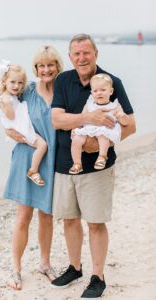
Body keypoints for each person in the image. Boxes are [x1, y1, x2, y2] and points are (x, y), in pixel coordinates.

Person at [51, 34, 136, 298]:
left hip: (98, 168)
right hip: (65, 164)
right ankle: (75, 267)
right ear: (70, 57)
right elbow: (57, 120)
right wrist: (87, 118)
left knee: (96, 223)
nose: (82, 58)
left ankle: (98, 276)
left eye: (86, 52)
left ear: (96, 54)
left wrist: (104, 142)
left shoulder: (112, 83)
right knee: (69, 220)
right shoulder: (64, 80)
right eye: (76, 54)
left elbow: (131, 126)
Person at [3, 45, 63, 290]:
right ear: (36, 69)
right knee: (23, 216)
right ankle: (16, 270)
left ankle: (45, 264)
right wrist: (10, 132)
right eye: (41, 65)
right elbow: (6, 112)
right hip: (27, 158)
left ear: (57, 66)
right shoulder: (25, 91)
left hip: (52, 161)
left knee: (47, 216)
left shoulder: (64, 91)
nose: (46, 69)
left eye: (50, 65)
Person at [0, 60, 47, 186]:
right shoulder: (5, 99)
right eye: (12, 82)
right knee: (43, 145)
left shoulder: (13, 95)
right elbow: (11, 117)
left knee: (42, 145)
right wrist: (7, 104)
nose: (16, 86)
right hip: (20, 129)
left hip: (21, 126)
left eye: (20, 83)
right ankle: (33, 171)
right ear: (4, 82)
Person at [69, 73, 129, 174]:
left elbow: (125, 122)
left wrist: (122, 116)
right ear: (91, 93)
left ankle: (102, 156)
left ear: (111, 91)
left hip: (104, 129)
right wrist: (76, 128)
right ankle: (77, 163)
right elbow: (82, 118)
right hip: (89, 129)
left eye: (103, 90)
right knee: (76, 140)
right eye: (95, 91)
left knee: (103, 135)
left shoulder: (114, 106)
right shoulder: (89, 105)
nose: (99, 93)